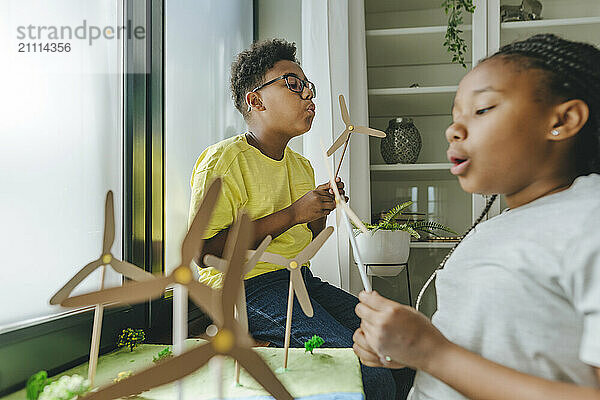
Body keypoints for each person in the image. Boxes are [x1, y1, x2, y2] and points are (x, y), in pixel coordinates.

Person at [353, 33, 600, 399]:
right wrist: (406, 350)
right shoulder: (491, 230)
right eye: (455, 115)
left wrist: (431, 352)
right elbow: (479, 357)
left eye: (482, 109)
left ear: (563, 119)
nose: (453, 129)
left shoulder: (589, 217)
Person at [188, 38, 396, 399]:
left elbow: (308, 235)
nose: (308, 96)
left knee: (394, 346)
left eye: (309, 87)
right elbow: (202, 251)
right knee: (364, 370)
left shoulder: (300, 165)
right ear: (256, 100)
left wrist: (320, 208)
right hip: (243, 289)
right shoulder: (223, 162)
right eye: (293, 84)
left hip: (297, 281)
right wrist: (293, 213)